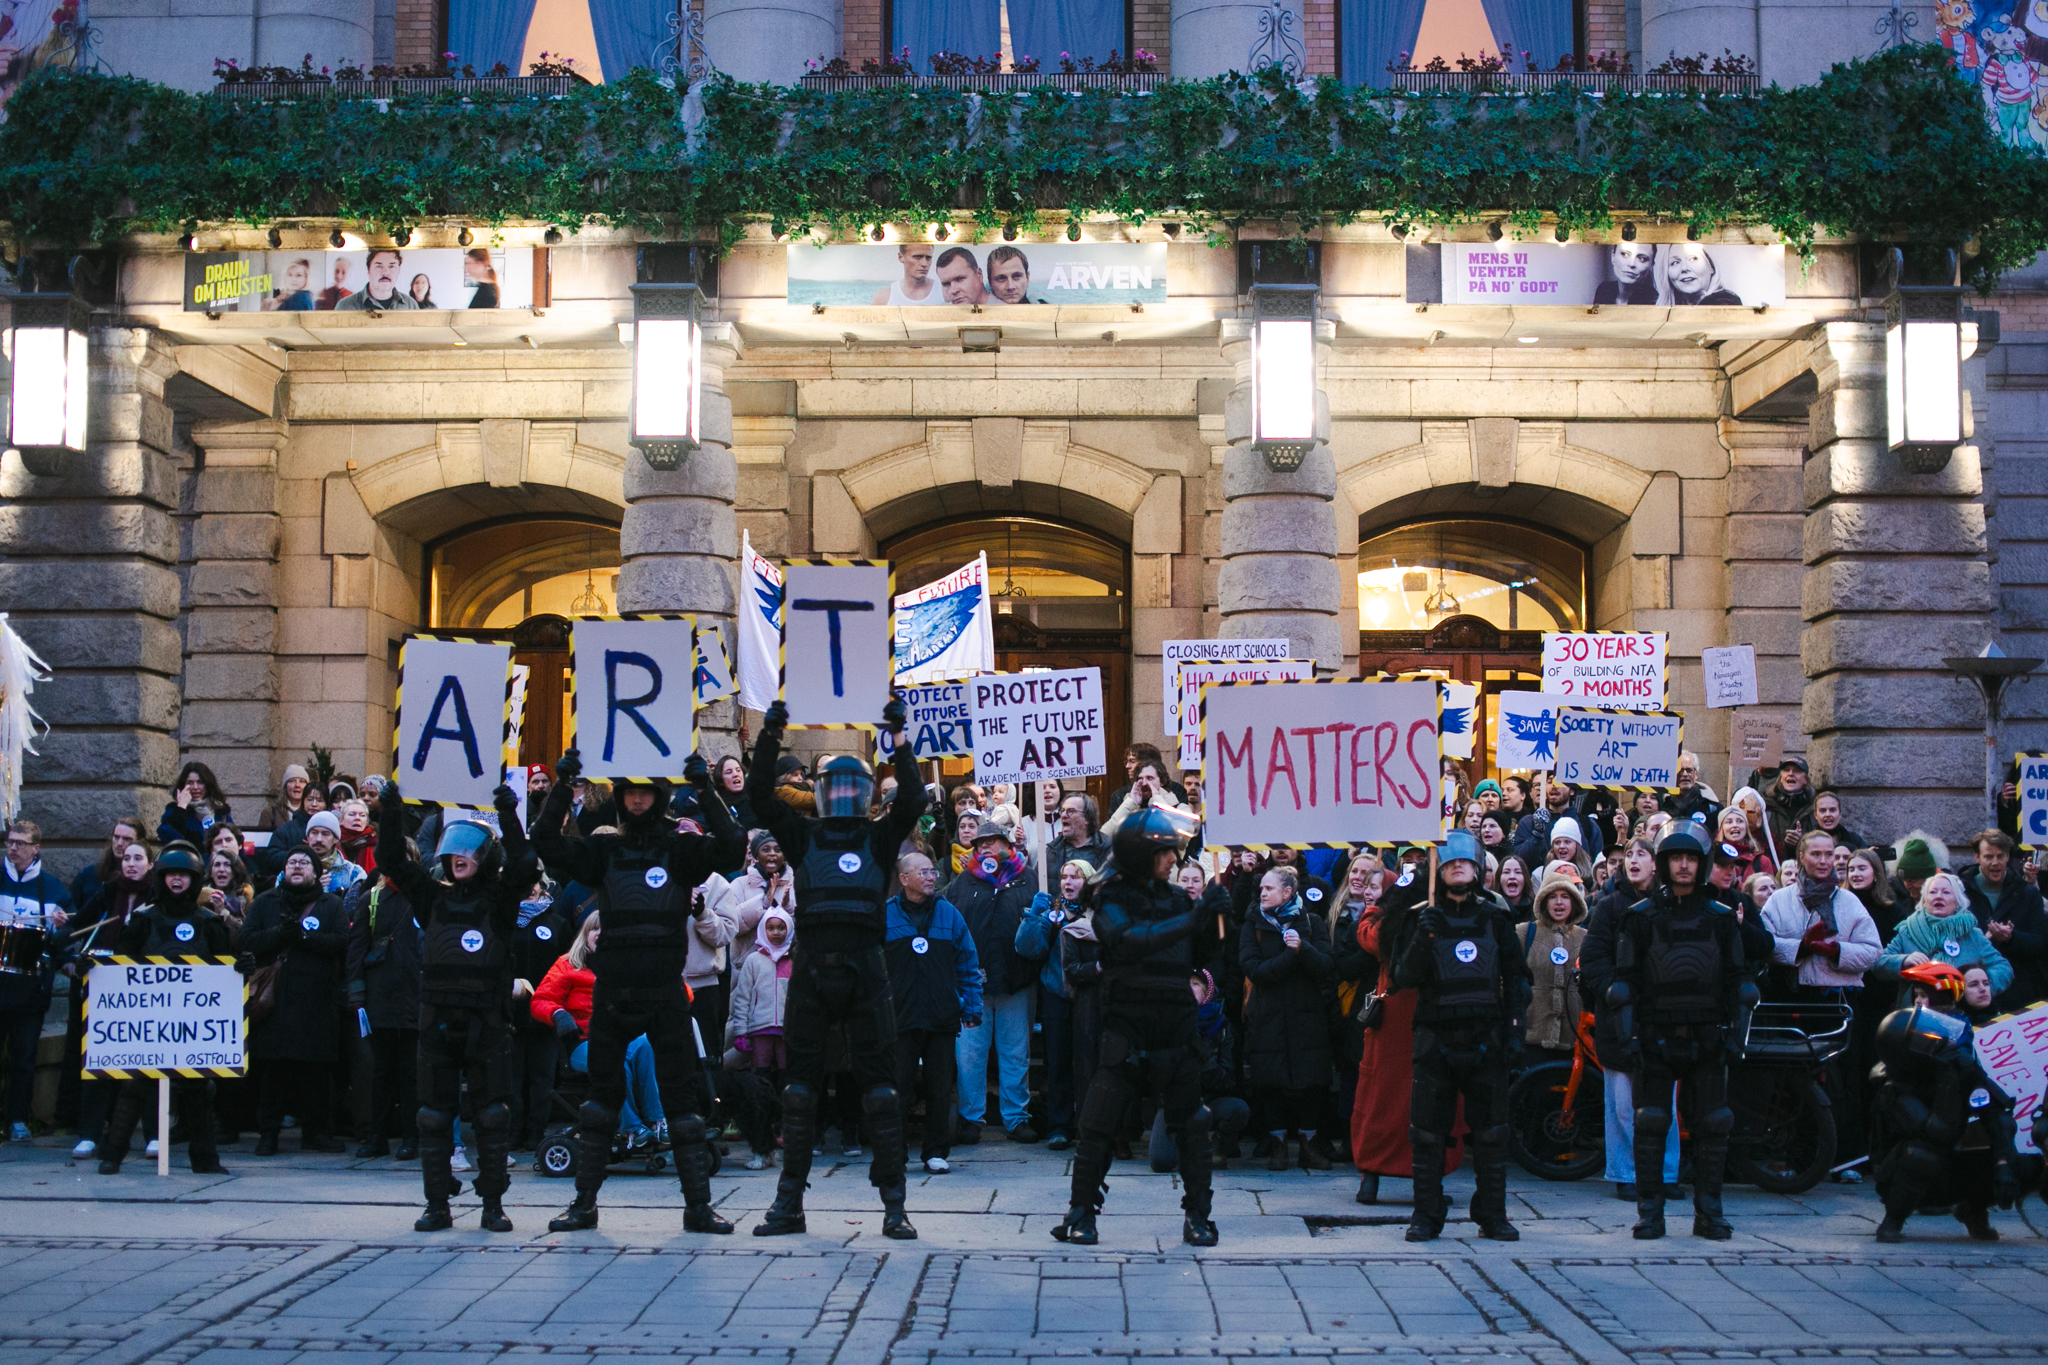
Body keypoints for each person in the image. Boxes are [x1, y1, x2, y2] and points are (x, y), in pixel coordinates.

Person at [532, 750, 745, 1235]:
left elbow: (732, 847)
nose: (636, 799)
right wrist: (563, 784)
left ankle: (698, 1207)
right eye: (629, 792)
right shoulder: (603, 851)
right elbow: (546, 841)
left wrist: (706, 789)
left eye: (645, 791)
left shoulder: (680, 850)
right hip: (612, 993)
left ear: (660, 796)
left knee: (681, 1101)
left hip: (666, 991)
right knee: (599, 1103)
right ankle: (583, 1204)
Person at [746, 693, 927, 1240]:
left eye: (855, 788)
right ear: (821, 794)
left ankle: (894, 1205)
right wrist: (770, 737)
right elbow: (759, 796)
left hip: (865, 968)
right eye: (837, 787)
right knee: (798, 1090)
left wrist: (898, 737)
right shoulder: (803, 836)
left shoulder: (880, 835)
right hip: (812, 970)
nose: (845, 795)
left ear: (868, 796)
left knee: (880, 1091)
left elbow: (915, 798)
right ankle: (788, 1204)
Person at [1052, 807, 1218, 1248]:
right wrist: (1192, 920)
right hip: (1127, 1025)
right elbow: (1128, 941)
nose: (1172, 861)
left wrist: (1224, 910)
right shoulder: (1109, 898)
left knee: (1193, 1125)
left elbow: (1202, 950)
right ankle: (1081, 1213)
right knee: (1098, 1124)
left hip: (1175, 1026)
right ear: (1143, 853)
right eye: (1165, 852)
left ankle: (1199, 1216)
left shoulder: (1181, 898)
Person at [374, 782, 531, 1232]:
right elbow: (392, 862)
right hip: (438, 1019)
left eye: (470, 851)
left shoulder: (500, 902)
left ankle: (492, 1206)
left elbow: (524, 865)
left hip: (487, 1021)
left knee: (492, 1115)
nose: (459, 857)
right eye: (454, 850)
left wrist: (508, 815)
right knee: (433, 1115)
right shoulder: (434, 897)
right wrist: (390, 811)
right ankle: (437, 1204)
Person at [1606, 825, 1753, 1240]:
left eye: (1691, 858)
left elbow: (1740, 983)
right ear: (1665, 863)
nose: (1684, 865)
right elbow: (1623, 985)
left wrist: (1734, 1038)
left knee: (1713, 1124)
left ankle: (1709, 1213)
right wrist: (1629, 1039)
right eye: (1676, 858)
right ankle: (1650, 1213)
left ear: (1701, 864)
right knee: (1651, 1123)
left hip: (1707, 1036)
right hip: (1655, 1037)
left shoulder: (1722, 920)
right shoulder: (1640, 918)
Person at [1394, 830, 1527, 1242]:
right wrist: (1421, 937)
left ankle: (1493, 1214)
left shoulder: (1495, 917)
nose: (1457, 867)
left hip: (1486, 1037)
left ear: (1477, 869)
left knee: (1491, 1135)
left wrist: (1514, 1030)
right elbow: (1404, 977)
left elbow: (1516, 978)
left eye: (1464, 863)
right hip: (1436, 1039)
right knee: (1427, 1135)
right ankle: (1425, 1216)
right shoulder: (1421, 915)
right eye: (1449, 863)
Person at [93, 843, 232, 1174]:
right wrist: (95, 970)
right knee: (135, 1086)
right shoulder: (142, 921)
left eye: (184, 875)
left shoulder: (209, 923)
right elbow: (120, 966)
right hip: (150, 1023)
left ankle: (206, 1161)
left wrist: (240, 965)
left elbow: (224, 967)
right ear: (161, 878)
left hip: (194, 1024)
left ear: (195, 880)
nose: (177, 881)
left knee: (198, 1089)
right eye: (171, 874)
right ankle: (112, 1155)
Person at [1867, 964, 2022, 1242]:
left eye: (1924, 996)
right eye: (1916, 995)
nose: (1918, 1002)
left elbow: (1995, 1111)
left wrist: (2003, 1164)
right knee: (1922, 1156)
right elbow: (1937, 1132)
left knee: (2017, 1156)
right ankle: (1893, 1220)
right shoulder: (1898, 1076)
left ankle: (1974, 1212)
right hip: (1906, 1167)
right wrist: (1948, 1078)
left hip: (1951, 1163)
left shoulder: (1962, 1063)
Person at [242, 845, 351, 1155]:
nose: (298, 867)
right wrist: (279, 934)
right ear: (284, 870)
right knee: (273, 1072)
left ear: (317, 872)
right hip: (275, 1001)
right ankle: (268, 1133)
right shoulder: (265, 902)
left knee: (316, 1074)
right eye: (292, 862)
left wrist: (304, 938)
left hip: (316, 1001)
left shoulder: (331, 905)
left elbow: (341, 941)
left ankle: (316, 1132)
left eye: (305, 863)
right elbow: (247, 939)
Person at [533, 915, 667, 1151]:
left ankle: (658, 1121)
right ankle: (633, 1129)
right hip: (582, 1042)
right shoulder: (566, 965)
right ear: (586, 936)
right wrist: (557, 1014)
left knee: (644, 1044)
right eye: (596, 930)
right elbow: (541, 1000)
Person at [883, 852, 980, 1174]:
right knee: (899, 1087)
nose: (930, 877)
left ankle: (936, 1152)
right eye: (923, 872)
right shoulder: (885, 916)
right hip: (900, 1016)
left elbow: (968, 962)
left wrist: (971, 1006)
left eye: (932, 872)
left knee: (940, 1088)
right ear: (904, 878)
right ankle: (894, 1153)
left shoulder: (949, 915)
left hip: (941, 1015)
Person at [1240, 866, 1336, 1171]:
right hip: (1267, 1015)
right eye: (1262, 889)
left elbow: (1326, 965)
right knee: (1270, 1082)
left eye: (1269, 888)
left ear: (1288, 893)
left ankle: (1309, 1145)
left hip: (1306, 1015)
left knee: (1311, 1083)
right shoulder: (1253, 923)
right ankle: (1277, 1145)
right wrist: (1288, 956)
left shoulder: (1312, 921)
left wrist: (1303, 948)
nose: (1263, 893)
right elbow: (1253, 969)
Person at [947, 820, 1038, 1145]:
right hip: (973, 983)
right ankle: (971, 1119)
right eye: (980, 843)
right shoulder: (963, 880)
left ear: (1006, 843)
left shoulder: (1027, 878)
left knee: (1015, 1053)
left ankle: (1017, 1118)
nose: (984, 847)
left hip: (1016, 981)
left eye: (992, 841)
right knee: (970, 1055)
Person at [345, 849, 423, 1160]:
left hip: (416, 999)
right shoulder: (370, 900)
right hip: (380, 999)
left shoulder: (424, 898)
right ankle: (376, 1137)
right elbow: (356, 952)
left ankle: (411, 1138)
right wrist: (356, 995)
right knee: (380, 1074)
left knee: (411, 1075)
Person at [0, 820, 70, 1143]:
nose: (12, 847)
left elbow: (64, 941)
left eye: (20, 843)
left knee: (25, 1055)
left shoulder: (55, 890)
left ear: (35, 848)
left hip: (30, 990)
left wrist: (59, 927)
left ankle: (16, 1119)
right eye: (10, 841)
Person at [1016, 858, 1088, 1149]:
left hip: (1087, 997)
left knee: (1087, 1063)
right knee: (1057, 1063)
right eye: (1064, 877)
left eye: (1075, 877)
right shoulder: (1051, 911)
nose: (1068, 882)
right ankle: (1059, 1125)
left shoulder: (1097, 912)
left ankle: (1087, 1123)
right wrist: (1037, 917)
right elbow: (1028, 948)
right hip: (1056, 996)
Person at [1759, 831, 1883, 1000]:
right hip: (1787, 996)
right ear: (1802, 858)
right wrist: (1801, 948)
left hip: (1838, 998)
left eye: (1829, 854)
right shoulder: (1779, 900)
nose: (1823, 861)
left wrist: (1836, 951)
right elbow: (1762, 944)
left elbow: (1873, 951)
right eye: (1816, 854)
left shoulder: (1848, 900)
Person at [1873, 870, 2014, 1009]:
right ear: (1924, 900)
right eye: (1933, 892)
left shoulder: (1973, 935)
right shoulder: (1907, 931)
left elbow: (2003, 967)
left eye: (1946, 892)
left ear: (1957, 902)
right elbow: (1878, 963)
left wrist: (1978, 985)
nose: (1938, 897)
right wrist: (1904, 961)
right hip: (1916, 1015)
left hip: (1961, 1014)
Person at [726, 906, 797, 1168]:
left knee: (786, 1079)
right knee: (761, 1079)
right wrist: (741, 1031)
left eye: (781, 928)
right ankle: (764, 1126)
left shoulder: (794, 959)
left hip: (787, 1031)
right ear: (762, 930)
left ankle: (787, 1127)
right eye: (770, 928)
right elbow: (742, 999)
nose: (776, 933)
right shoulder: (755, 960)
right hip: (760, 1029)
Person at [510, 875, 573, 1150]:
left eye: (536, 881)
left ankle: (536, 1131)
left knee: (542, 1076)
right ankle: (513, 1132)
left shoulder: (557, 923)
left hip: (546, 1011)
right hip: (509, 1013)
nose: (531, 887)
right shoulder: (502, 920)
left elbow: (568, 965)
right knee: (511, 1077)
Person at [1958, 829, 2047, 1010]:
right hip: (1971, 997)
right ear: (1977, 857)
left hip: (2018, 995)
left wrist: (2011, 938)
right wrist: (1982, 938)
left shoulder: (2027, 894)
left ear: (2008, 857)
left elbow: (2041, 943)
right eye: (1988, 857)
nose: (1995, 863)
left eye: (2000, 856)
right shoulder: (1960, 893)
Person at [1522, 869, 1588, 1062]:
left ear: (1574, 902)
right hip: (1532, 1042)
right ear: (1543, 901)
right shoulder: (1524, 933)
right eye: (1552, 897)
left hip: (1575, 1042)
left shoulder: (1586, 938)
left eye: (1565, 896)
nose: (1559, 902)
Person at [158, 761, 233, 848]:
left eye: (200, 782)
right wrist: (181, 807)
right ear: (183, 786)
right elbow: (168, 838)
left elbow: (235, 843)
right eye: (190, 783)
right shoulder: (174, 811)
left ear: (208, 785)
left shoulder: (221, 812)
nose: (195, 787)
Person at [1659, 242, 1743, 306]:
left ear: (1711, 266)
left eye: (1692, 258)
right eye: (1675, 262)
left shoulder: (1725, 303)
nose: (1684, 268)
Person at [335, 248, 419, 310]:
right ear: (368, 271)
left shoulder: (411, 305)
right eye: (378, 266)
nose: (385, 272)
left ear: (398, 271)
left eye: (391, 266)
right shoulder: (345, 306)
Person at [1049, 792, 1110, 871]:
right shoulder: (1051, 851)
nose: (1063, 815)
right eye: (1062, 810)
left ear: (1087, 818)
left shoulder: (1108, 849)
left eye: (1071, 811)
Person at [1891, 832, 1945, 908]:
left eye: (1912, 881)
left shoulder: (1950, 901)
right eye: (1904, 880)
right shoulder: (1895, 899)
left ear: (1929, 878)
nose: (1907, 886)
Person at [872, 243, 938, 305]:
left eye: (928, 258)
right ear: (901, 257)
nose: (924, 263)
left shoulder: (943, 292)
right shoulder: (884, 297)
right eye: (917, 257)